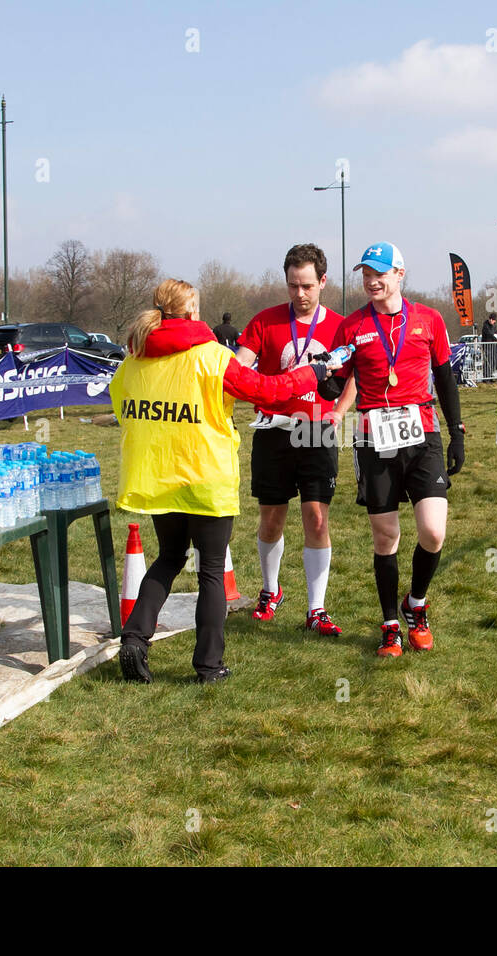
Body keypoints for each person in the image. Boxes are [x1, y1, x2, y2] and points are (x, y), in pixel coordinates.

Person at [109, 278, 331, 684]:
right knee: (212, 570)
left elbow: (121, 403)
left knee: (169, 558)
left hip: (159, 481)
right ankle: (208, 665)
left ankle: (135, 639)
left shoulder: (134, 360)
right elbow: (268, 391)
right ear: (193, 313)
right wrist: (311, 374)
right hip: (206, 480)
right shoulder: (213, 358)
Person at [318, 242, 465, 657]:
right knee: (386, 536)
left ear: (400, 274)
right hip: (373, 439)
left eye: (379, 273)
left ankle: (415, 603)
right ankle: (389, 625)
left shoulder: (429, 320)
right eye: (365, 273)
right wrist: (324, 378)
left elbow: (446, 379)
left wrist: (457, 433)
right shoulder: (351, 327)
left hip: (422, 436)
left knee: (433, 532)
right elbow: (337, 382)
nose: (371, 281)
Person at [234, 243, 355, 635]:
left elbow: (355, 374)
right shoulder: (265, 322)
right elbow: (240, 366)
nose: (299, 295)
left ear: (323, 281)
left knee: (316, 518)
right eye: (292, 286)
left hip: (316, 430)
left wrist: (339, 412)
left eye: (306, 286)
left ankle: (316, 609)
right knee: (271, 519)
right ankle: (271, 591)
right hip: (273, 430)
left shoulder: (340, 326)